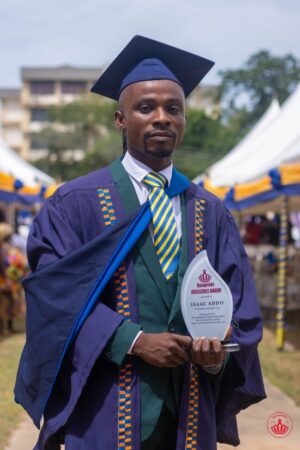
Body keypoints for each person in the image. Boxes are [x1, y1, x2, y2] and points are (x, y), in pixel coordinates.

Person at [15, 36, 265, 450]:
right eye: (146, 107)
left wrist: (218, 349)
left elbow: (241, 307)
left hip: (189, 408)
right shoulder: (74, 205)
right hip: (106, 405)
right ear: (120, 119)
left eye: (174, 109)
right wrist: (132, 340)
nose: (162, 118)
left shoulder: (210, 211)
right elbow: (53, 296)